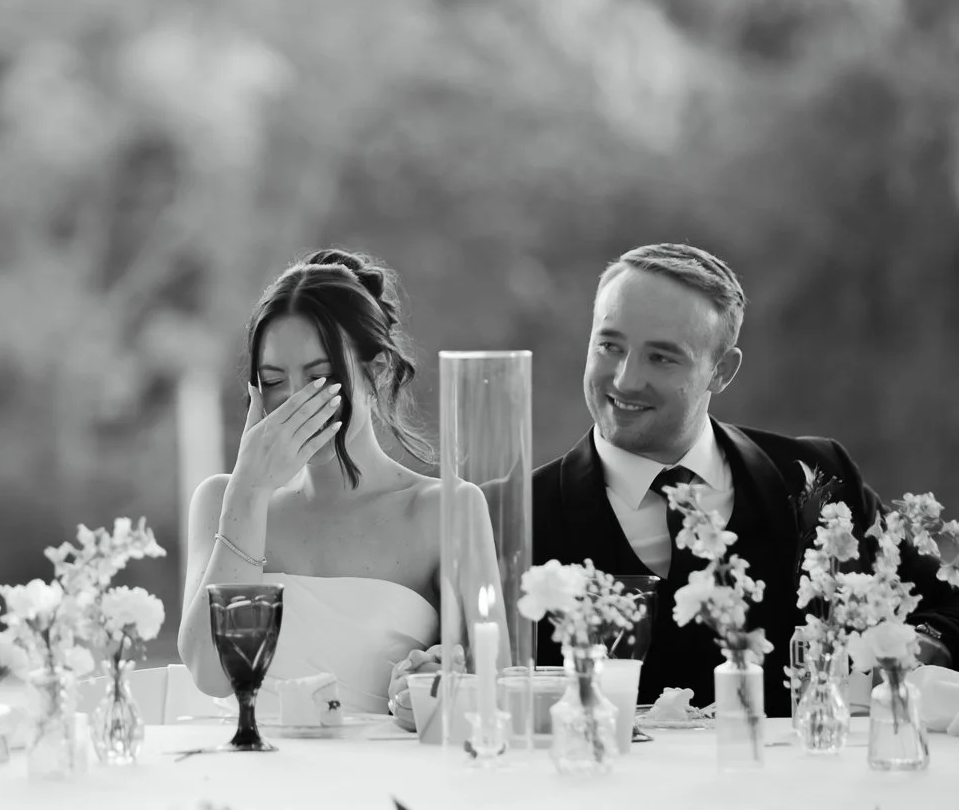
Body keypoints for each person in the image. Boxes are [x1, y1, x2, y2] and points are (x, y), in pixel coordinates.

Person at [525, 242, 959, 716]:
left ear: (723, 371)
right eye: (610, 346)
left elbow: (947, 607)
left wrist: (918, 647)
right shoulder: (507, 514)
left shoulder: (818, 478)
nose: (626, 380)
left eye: (662, 358)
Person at [178, 249, 504, 715]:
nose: (296, 401)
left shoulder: (445, 509)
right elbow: (212, 676)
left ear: (377, 371)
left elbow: (495, 688)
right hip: (241, 757)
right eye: (274, 380)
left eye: (320, 377)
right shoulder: (222, 501)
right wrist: (249, 493)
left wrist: (431, 686)